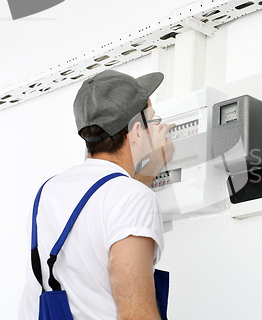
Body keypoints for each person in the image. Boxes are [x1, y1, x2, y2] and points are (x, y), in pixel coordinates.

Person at [19, 70, 174, 320]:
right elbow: (137, 315)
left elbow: (106, 207)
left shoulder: (47, 193)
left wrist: (152, 167)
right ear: (136, 132)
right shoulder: (133, 198)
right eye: (152, 121)